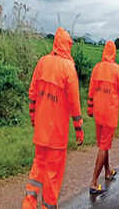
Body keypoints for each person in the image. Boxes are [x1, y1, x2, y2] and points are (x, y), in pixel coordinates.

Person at [22, 27, 84, 209]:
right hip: (57, 133)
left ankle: (28, 204)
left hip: (41, 130)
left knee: (38, 167)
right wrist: (78, 128)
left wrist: (33, 117)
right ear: (67, 45)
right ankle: (48, 206)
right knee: (52, 174)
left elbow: (32, 93)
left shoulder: (42, 62)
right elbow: (74, 102)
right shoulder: (68, 68)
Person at [87, 41, 119, 195]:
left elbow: (91, 89)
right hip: (110, 112)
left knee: (103, 144)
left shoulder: (97, 68)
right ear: (114, 53)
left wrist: (90, 107)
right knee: (104, 146)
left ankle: (107, 172)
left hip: (98, 112)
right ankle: (93, 182)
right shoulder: (117, 70)